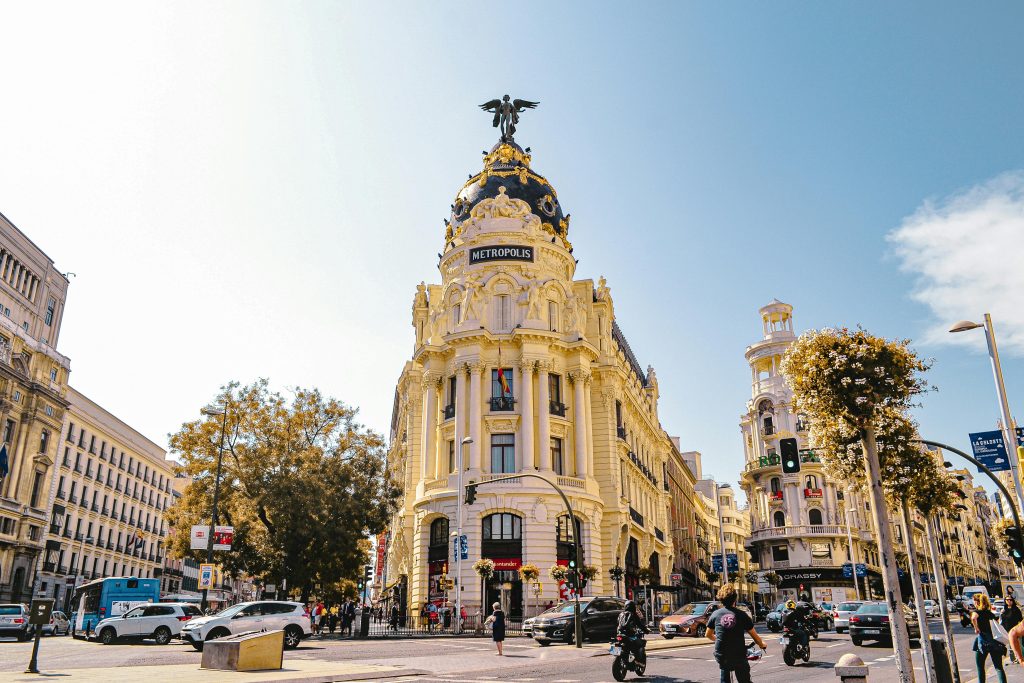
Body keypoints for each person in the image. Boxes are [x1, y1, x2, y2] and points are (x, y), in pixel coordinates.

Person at [707, 584, 767, 683]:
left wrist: (719, 640)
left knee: (724, 669)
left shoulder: (715, 614)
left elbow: (708, 635)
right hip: (738, 655)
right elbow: (755, 637)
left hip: (721, 654)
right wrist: (762, 644)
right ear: (735, 599)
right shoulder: (742, 615)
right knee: (744, 677)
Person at [972, 593, 1007, 683]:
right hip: (994, 641)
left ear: (977, 602)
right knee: (999, 668)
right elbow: (997, 622)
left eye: (974, 601)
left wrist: (976, 628)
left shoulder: (976, 612)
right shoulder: (990, 613)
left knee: (980, 667)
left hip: (982, 641)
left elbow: (973, 618)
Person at [616, 599, 649, 668]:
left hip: (619, 634)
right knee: (640, 645)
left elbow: (617, 623)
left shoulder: (621, 614)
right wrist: (646, 630)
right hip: (629, 635)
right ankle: (638, 661)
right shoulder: (633, 614)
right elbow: (640, 625)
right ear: (633, 607)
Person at [1000, 596, 1022, 664]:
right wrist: (1001, 613)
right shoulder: (1004, 609)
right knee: (1010, 645)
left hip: (1014, 630)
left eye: (1010, 600)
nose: (1008, 601)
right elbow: (1001, 620)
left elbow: (1020, 619)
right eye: (1007, 600)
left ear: (1012, 601)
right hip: (1006, 629)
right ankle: (1013, 658)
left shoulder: (1016, 609)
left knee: (1017, 644)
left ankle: (1019, 658)